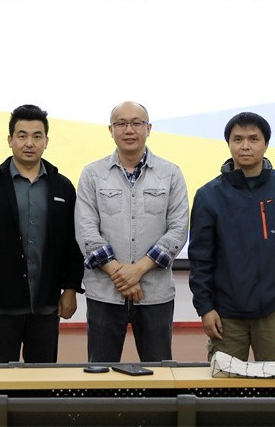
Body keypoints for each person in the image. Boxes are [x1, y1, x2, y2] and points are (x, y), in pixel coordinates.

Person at [188, 112, 275, 361]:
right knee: (224, 381)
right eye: (237, 139)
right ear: (228, 144)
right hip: (225, 312)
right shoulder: (209, 195)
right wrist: (205, 307)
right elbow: (200, 258)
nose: (245, 146)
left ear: (266, 144)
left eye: (253, 139)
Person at [0, 104, 84, 363]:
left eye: (37, 136)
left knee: (43, 380)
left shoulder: (62, 187)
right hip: (1, 306)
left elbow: (73, 244)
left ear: (46, 141)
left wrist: (71, 289)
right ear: (10, 140)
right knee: (0, 380)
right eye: (22, 135)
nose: (29, 143)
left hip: (47, 305)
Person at [75, 101, 189, 363]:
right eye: (121, 123)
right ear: (111, 130)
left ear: (148, 128)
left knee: (159, 372)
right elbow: (86, 230)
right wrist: (121, 275)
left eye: (137, 123)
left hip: (155, 294)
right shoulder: (93, 174)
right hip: (104, 294)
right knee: (101, 371)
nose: (129, 130)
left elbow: (178, 229)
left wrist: (137, 270)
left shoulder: (170, 174)